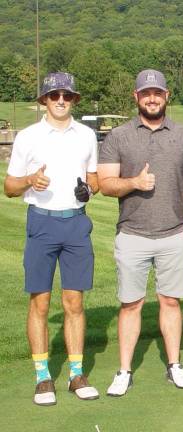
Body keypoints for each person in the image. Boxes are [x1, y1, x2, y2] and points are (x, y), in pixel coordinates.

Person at [97, 69, 183, 396]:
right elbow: (105, 184)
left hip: (174, 234)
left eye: (157, 92)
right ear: (136, 97)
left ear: (166, 95)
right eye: (146, 93)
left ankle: (174, 365)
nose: (152, 98)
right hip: (132, 234)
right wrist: (133, 183)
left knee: (170, 302)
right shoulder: (118, 136)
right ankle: (123, 370)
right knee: (130, 304)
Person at [4, 72, 100, 405]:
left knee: (74, 302)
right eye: (55, 95)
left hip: (76, 223)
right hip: (41, 224)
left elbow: (94, 180)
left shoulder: (86, 135)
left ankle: (76, 373)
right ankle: (43, 376)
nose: (61, 100)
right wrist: (30, 179)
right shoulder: (29, 137)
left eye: (68, 95)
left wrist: (87, 189)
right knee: (40, 302)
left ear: (74, 100)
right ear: (44, 99)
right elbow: (9, 188)